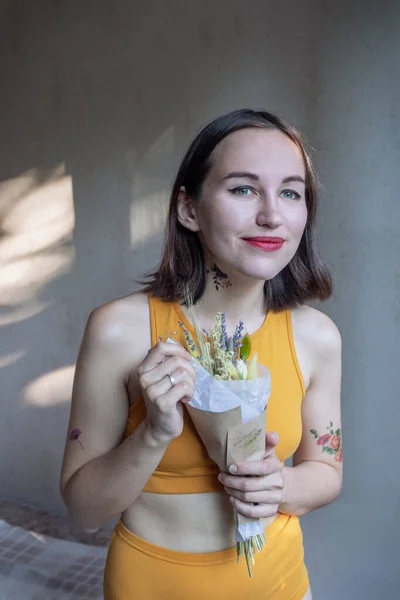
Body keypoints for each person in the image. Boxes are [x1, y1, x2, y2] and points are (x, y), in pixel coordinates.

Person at [60, 109, 342, 599]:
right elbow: (84, 511)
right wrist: (153, 432)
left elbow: (327, 471)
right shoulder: (119, 331)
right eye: (243, 189)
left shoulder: (316, 336)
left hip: (281, 586)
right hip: (149, 585)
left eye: (291, 192)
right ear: (188, 209)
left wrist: (280, 486)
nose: (272, 213)